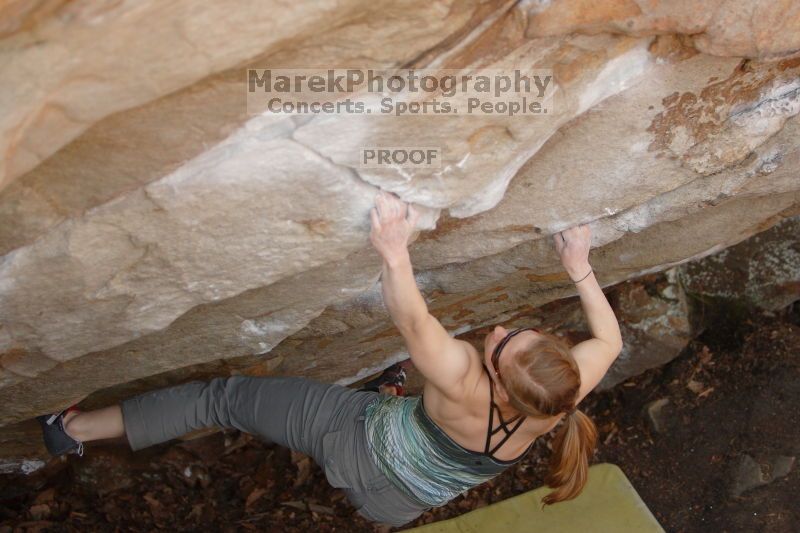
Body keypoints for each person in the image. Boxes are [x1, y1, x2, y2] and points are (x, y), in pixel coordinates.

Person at [38, 191, 622, 527]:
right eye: (517, 333)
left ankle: (69, 430)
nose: (496, 331)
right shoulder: (558, 395)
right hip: (398, 507)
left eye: (497, 348)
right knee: (401, 400)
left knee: (220, 399)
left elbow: (414, 321)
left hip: (358, 446)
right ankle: (387, 397)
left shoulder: (459, 375)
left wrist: (394, 249)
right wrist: (579, 266)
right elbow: (610, 343)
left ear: (493, 379)